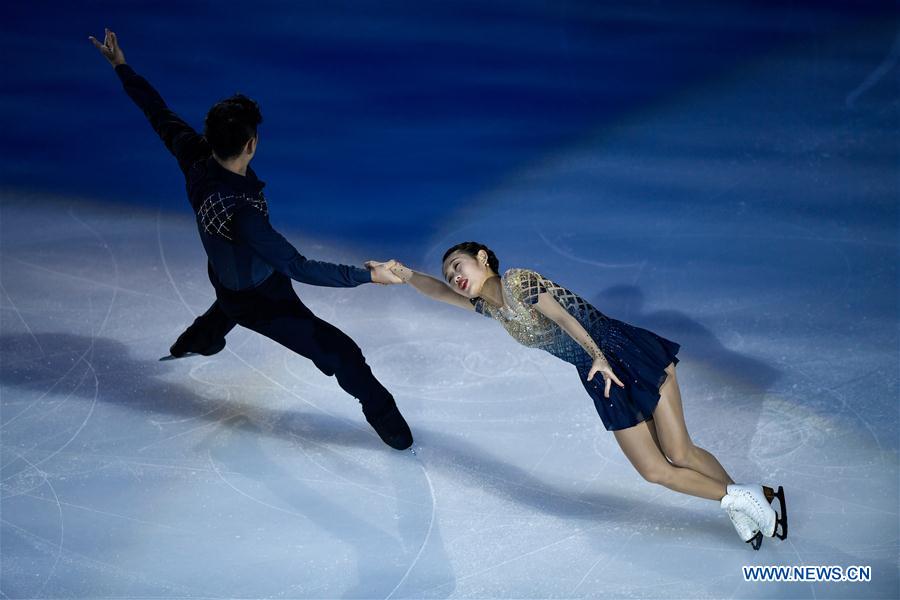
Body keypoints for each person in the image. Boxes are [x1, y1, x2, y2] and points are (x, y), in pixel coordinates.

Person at [89, 28, 413, 450]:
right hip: (261, 299)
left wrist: (121, 66)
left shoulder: (195, 158)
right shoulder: (244, 217)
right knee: (341, 353)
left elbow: (157, 112)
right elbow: (297, 266)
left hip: (227, 278)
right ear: (251, 145)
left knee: (226, 302)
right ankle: (385, 414)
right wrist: (367, 275)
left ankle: (203, 337)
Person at [371, 242, 787, 548]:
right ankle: (747, 498)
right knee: (654, 470)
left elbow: (562, 316)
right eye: (449, 275)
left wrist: (599, 357)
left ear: (482, 258)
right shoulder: (492, 307)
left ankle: (742, 501)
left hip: (619, 352)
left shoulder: (517, 280)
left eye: (457, 266)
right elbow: (440, 294)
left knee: (680, 452)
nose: (454, 278)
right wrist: (406, 275)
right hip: (594, 371)